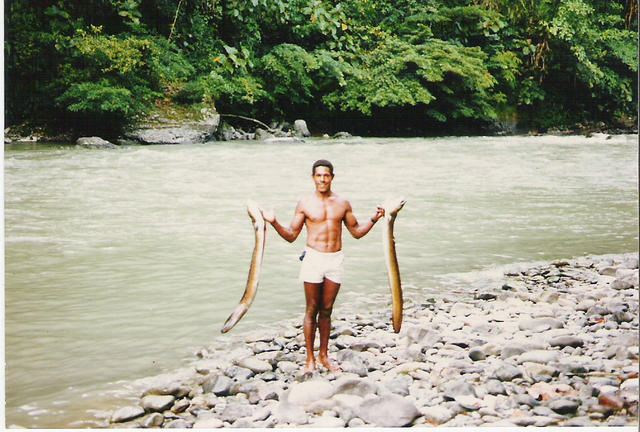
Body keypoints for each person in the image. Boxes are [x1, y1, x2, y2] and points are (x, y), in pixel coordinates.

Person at [261, 160, 384, 373]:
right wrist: (273, 222)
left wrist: (375, 218)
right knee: (311, 309)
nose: (322, 179)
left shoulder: (343, 203)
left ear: (332, 177)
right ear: (313, 178)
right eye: (319, 175)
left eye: (326, 175)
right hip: (313, 259)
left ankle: (324, 355)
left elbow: (356, 232)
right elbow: (291, 235)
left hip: (335, 259)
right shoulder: (305, 203)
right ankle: (310, 359)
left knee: (326, 310)